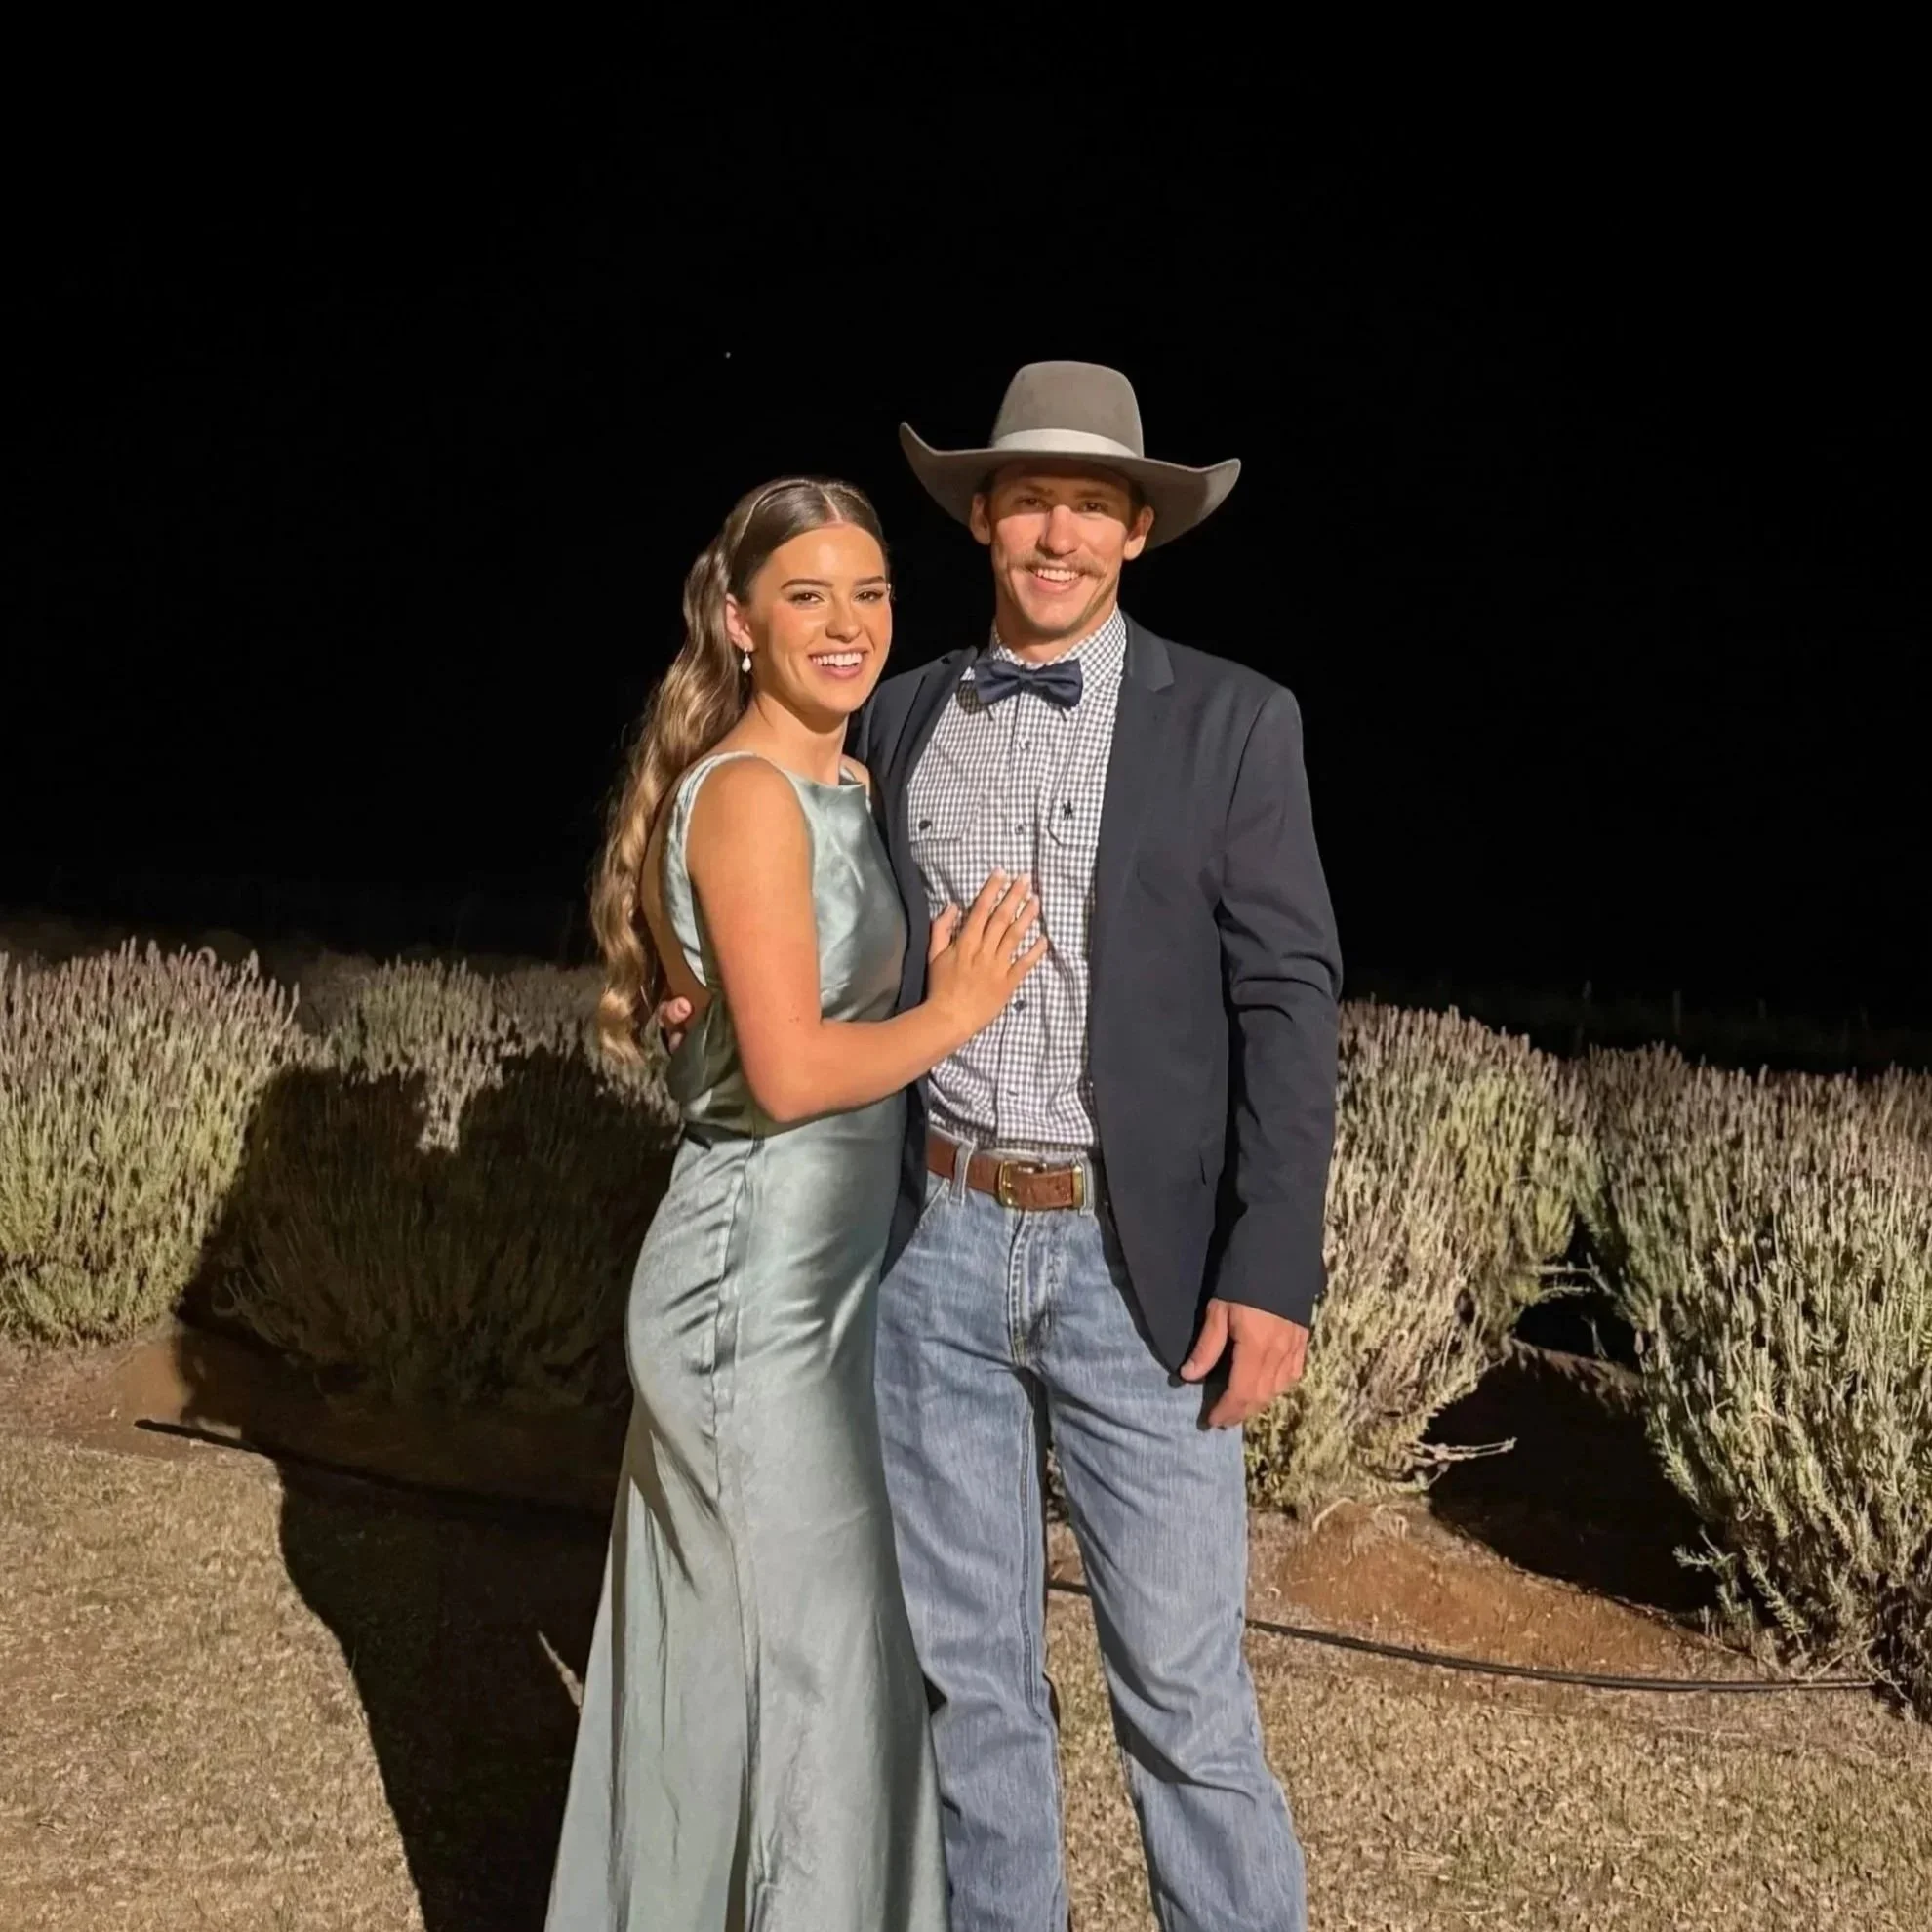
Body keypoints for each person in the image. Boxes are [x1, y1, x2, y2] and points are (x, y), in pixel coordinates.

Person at [664, 364, 1344, 1932]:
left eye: (1092, 507)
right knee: (968, 1688)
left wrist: (1272, 1266)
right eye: (1032, 500)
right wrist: (685, 970)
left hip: (1141, 1275)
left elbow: (1289, 1001)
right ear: (982, 515)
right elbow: (771, 851)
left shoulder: (1235, 721)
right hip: (934, 1257)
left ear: (1137, 534)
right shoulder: (897, 715)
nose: (1058, 534)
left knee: (1182, 1696)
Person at [546, 476, 1044, 1932]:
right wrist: (955, 1010)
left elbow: (731, 1018)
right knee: (818, 1671)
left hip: (821, 1298)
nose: (847, 623)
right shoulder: (753, 796)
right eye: (807, 595)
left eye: (870, 592)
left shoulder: (839, 788)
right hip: (749, 1303)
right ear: (739, 621)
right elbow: (789, 1070)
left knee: (760, 1666)